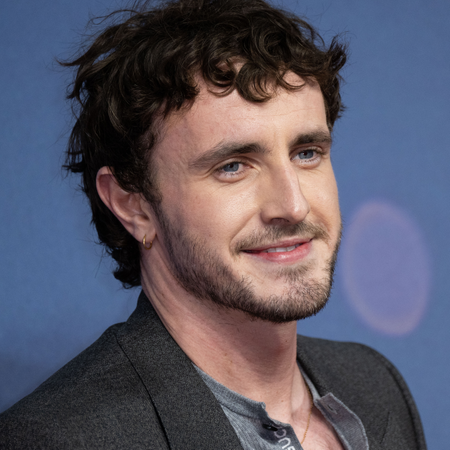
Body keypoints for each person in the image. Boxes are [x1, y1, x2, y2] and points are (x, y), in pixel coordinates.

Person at [0, 0, 426, 448]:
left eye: (307, 154)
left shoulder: (376, 385)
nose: (294, 205)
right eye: (233, 166)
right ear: (133, 205)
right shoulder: (60, 439)